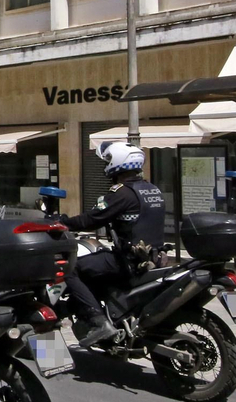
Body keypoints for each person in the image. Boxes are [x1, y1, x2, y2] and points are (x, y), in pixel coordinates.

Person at [56, 142, 166, 348]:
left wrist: (63, 222)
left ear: (117, 163)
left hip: (128, 261)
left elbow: (91, 219)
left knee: (68, 269)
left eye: (107, 160)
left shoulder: (122, 193)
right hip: (154, 258)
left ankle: (98, 322)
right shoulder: (153, 189)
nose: (105, 165)